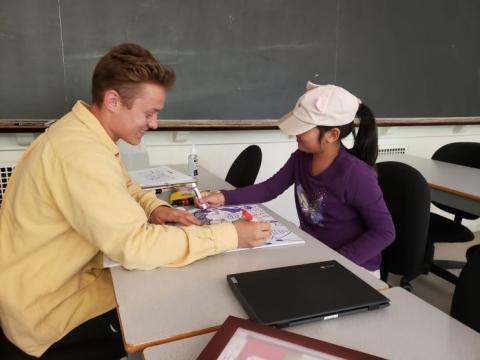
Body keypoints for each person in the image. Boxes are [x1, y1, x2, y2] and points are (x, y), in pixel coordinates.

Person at [0, 43, 270, 359]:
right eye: (149, 113)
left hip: (46, 284)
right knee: (176, 301)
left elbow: (123, 184)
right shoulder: (79, 154)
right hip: (46, 312)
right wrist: (231, 235)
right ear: (113, 100)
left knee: (170, 272)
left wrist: (156, 208)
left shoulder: (82, 133)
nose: (153, 124)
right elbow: (135, 247)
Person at [197, 82, 395, 277]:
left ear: (332, 135)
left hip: (353, 267)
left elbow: (384, 232)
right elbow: (270, 188)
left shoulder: (356, 174)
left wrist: (337, 262)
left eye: (304, 128)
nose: (296, 134)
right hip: (314, 252)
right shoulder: (302, 157)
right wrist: (223, 197)